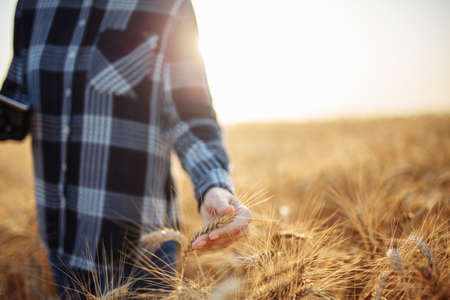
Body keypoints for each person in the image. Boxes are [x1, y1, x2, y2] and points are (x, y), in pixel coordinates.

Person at [0, 0, 251, 298]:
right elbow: (15, 104)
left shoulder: (166, 5)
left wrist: (213, 185)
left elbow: (190, 114)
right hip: (59, 245)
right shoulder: (33, 6)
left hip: (140, 254)